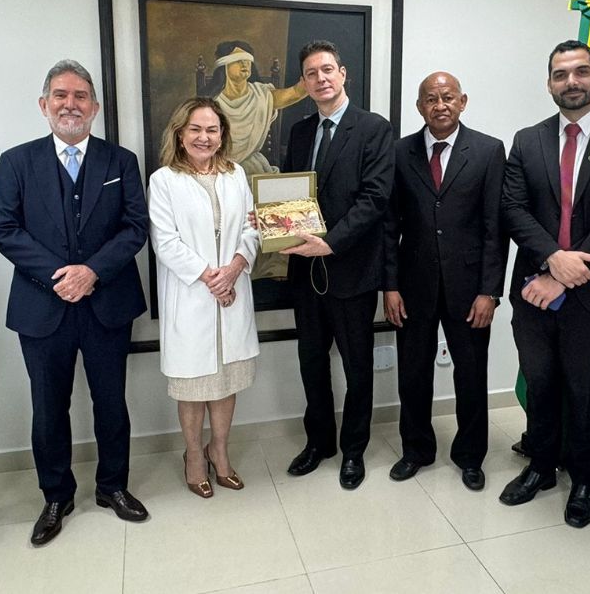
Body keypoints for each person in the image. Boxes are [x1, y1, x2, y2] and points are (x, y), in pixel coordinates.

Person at [0, 59, 149, 545]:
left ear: (95, 107)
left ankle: (112, 486)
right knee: (48, 407)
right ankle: (56, 496)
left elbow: (135, 227)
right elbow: (4, 228)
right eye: (60, 95)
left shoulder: (121, 162)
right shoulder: (16, 162)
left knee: (111, 402)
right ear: (44, 105)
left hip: (107, 303)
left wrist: (92, 271)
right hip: (42, 306)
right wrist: (60, 276)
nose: (70, 104)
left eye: (80, 96)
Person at [500, 40, 590, 528]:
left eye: (581, 72)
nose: (571, 82)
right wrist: (551, 262)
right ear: (549, 83)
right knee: (541, 382)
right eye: (561, 74)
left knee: (586, 390)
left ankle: (585, 480)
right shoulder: (527, 140)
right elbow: (513, 209)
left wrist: (564, 275)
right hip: (533, 291)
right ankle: (541, 467)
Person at [383, 71, 506, 491]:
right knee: (412, 374)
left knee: (471, 375)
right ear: (420, 106)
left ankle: (470, 456)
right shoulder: (399, 152)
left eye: (448, 97)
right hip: (412, 285)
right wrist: (390, 286)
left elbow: (495, 228)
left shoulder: (489, 151)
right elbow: (389, 225)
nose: (440, 106)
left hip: (470, 288)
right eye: (431, 99)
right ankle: (416, 450)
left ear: (462, 101)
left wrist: (490, 291)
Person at [280, 39, 394, 490]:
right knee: (311, 362)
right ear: (304, 82)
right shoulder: (299, 131)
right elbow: (290, 194)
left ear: (343, 74)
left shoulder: (373, 128)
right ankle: (319, 443)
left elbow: (375, 199)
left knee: (357, 367)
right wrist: (274, 223)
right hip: (304, 273)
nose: (320, 78)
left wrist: (329, 244)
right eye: (311, 73)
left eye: (327, 69)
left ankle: (353, 450)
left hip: (352, 270)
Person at [148, 98, 260, 498]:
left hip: (232, 291)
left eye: (212, 129)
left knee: (226, 381)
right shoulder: (164, 180)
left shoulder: (236, 174)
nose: (204, 137)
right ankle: (194, 455)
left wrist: (234, 268)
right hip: (191, 295)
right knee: (193, 386)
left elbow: (252, 228)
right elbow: (165, 242)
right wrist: (212, 277)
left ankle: (220, 451)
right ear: (180, 134)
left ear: (222, 135)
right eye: (195, 129)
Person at [205, 39, 306, 176]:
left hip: (252, 166)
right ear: (225, 64)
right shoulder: (210, 103)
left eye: (247, 60)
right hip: (218, 167)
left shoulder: (262, 95)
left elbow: (295, 93)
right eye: (238, 60)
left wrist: (312, 75)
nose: (245, 64)